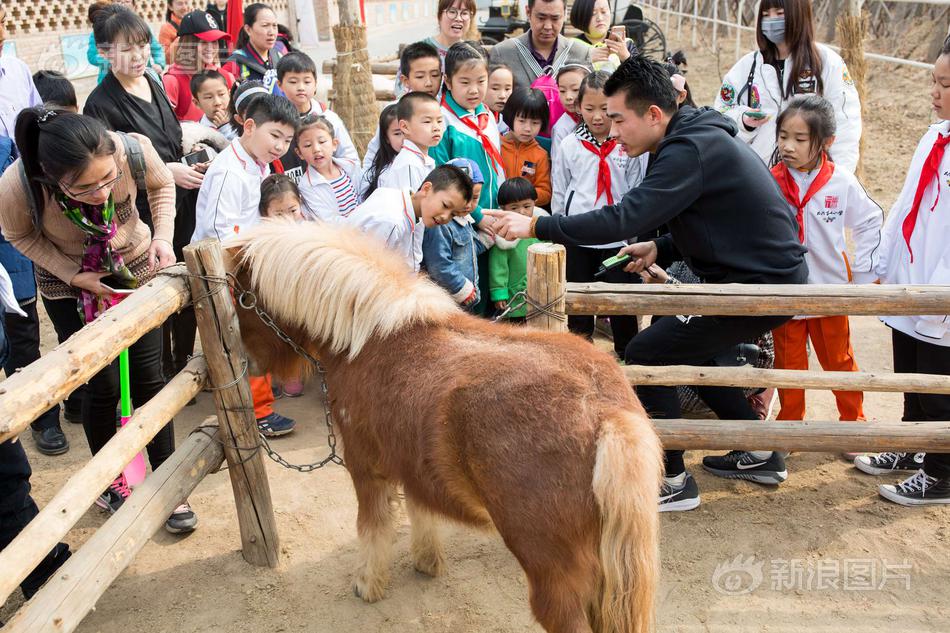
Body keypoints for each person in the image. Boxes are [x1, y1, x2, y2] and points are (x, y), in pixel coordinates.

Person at [486, 56, 809, 512]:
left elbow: (626, 216)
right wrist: (663, 248)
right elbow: (719, 220)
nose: (612, 130)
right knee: (690, 350)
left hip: (761, 283)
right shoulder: (688, 137)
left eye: (618, 118)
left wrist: (538, 227)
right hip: (755, 275)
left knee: (646, 351)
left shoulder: (686, 149)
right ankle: (758, 451)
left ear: (653, 114)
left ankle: (670, 477)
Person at [0, 108, 199, 532]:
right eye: (84, 187)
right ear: (50, 179)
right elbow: (18, 234)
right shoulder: (17, 187)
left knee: (149, 375)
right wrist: (74, 274)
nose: (102, 193)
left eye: (108, 179)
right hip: (70, 283)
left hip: (135, 266)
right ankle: (113, 480)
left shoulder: (133, 149)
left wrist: (162, 236)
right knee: (101, 383)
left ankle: (167, 479)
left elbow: (162, 184)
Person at [85, 4, 207, 384]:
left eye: (142, 45)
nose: (137, 56)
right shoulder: (99, 104)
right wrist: (163, 172)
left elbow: (170, 136)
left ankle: (182, 361)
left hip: (180, 198)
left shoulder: (154, 80)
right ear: (105, 52)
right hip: (140, 210)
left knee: (189, 279)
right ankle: (157, 374)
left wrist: (184, 163)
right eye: (126, 48)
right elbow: (105, 171)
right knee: (154, 288)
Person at [852, 38, 950, 506]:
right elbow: (907, 203)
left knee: (938, 382)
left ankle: (943, 472)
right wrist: (884, 263)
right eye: (933, 80)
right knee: (909, 369)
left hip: (943, 285)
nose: (935, 91)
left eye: (945, 84)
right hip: (914, 275)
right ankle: (913, 444)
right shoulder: (935, 136)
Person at [768, 95, 882, 431]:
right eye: (783, 136)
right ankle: (790, 423)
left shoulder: (840, 181)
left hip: (830, 288)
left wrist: (863, 274)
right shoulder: (769, 180)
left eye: (800, 139)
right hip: (784, 290)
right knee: (788, 362)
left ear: (826, 142)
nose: (788, 146)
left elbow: (869, 220)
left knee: (839, 360)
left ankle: (853, 421)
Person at [192, 93, 299, 436]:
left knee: (253, 340)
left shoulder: (257, 162)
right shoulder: (229, 171)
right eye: (275, 136)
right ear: (249, 126)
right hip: (226, 270)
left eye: (287, 139)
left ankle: (259, 405)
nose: (281, 146)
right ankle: (255, 412)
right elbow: (219, 232)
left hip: (246, 265)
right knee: (247, 341)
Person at [0, 34, 71, 455]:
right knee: (14, 324)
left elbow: (33, 128)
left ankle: (66, 402)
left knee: (31, 308)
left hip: (17, 194)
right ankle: (37, 417)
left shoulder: (17, 70)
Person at [551, 70, 648, 359]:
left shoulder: (628, 146)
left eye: (605, 110)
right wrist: (559, 228)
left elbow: (636, 188)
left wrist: (632, 234)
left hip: (617, 239)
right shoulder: (570, 144)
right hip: (579, 235)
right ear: (578, 107)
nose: (597, 117)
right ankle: (582, 356)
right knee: (579, 303)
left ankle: (628, 354)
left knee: (622, 303)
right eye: (589, 109)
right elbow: (560, 188)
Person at [714, 0, 861, 173]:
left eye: (779, 13)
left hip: (810, 177)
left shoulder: (827, 63)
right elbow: (720, 114)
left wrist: (837, 178)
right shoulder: (747, 67)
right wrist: (744, 122)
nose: (771, 21)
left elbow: (845, 124)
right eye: (766, 15)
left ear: (798, 14)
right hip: (758, 177)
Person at [430, 41, 505, 315]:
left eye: (481, 81)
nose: (474, 90)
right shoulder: (444, 122)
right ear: (448, 81)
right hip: (462, 223)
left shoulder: (486, 114)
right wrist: (478, 217)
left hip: (491, 214)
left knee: (493, 285)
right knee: (467, 291)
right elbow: (442, 181)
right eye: (465, 82)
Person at [345, 165, 473, 272]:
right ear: (426, 189)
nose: (446, 217)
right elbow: (369, 273)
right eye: (445, 205)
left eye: (453, 214)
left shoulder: (414, 209)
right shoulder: (392, 222)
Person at [488, 0, 592, 105]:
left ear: (564, 15)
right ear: (528, 13)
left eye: (555, 18)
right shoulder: (502, 53)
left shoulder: (580, 53)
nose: (547, 26)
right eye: (541, 18)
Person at [275, 51, 357, 181]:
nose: (301, 87)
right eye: (293, 82)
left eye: (307, 82)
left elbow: (349, 156)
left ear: (315, 84)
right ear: (280, 85)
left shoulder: (328, 117)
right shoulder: (276, 122)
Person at [363, 42, 442, 174]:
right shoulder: (395, 111)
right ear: (405, 80)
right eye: (420, 76)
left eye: (434, 75)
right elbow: (375, 152)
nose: (429, 83)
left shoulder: (443, 109)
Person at [421, 157, 485, 309]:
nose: (468, 205)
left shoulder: (465, 220)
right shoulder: (440, 223)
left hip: (465, 301)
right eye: (464, 199)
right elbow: (439, 264)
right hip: (449, 301)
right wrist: (461, 288)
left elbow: (467, 249)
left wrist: (490, 238)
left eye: (474, 198)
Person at [490, 177, 547, 322]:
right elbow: (498, 267)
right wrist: (499, 293)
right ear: (503, 209)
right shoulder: (503, 235)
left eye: (527, 206)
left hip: (543, 291)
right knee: (519, 332)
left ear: (535, 203)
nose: (521, 212)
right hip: (517, 296)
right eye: (514, 208)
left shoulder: (543, 229)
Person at [162, 9, 235, 122]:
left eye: (214, 41)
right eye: (204, 42)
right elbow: (165, 125)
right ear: (188, 43)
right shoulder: (172, 81)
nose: (211, 47)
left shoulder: (226, 77)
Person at [296, 115, 362, 221]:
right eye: (308, 145)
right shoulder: (307, 186)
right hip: (340, 235)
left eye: (322, 142)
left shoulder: (350, 167)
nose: (316, 149)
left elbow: (363, 196)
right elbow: (328, 220)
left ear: (334, 144)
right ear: (299, 153)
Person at [87, 0, 166, 85]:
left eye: (127, 1)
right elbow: (92, 56)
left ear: (134, 6)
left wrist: (159, 63)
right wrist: (114, 60)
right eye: (126, 49)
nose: (122, 4)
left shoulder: (141, 29)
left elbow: (156, 48)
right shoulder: (101, 32)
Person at [379, 92, 442, 191]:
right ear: (405, 127)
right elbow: (413, 204)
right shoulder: (408, 165)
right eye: (427, 121)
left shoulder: (417, 159)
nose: (436, 128)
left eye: (439, 121)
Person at [500, 87, 552, 206]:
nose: (528, 129)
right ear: (510, 117)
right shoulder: (496, 146)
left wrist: (523, 195)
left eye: (535, 123)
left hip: (525, 212)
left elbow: (545, 192)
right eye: (522, 121)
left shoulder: (540, 154)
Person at [223, 3, 284, 94]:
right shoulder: (234, 64)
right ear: (248, 30)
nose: (271, 32)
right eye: (265, 25)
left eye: (274, 26)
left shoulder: (279, 57)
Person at [569, 0, 637, 72]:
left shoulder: (626, 44)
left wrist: (626, 57)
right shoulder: (571, 46)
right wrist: (586, 59)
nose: (600, 18)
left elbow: (644, 79)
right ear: (580, 16)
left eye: (604, 11)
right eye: (593, 13)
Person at [359, 103, 402, 201]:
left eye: (406, 130)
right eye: (397, 133)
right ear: (386, 138)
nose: (404, 138)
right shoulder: (384, 173)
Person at [550, 63, 592, 162]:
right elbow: (558, 166)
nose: (568, 97)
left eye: (575, 89)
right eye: (562, 91)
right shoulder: (561, 129)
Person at [192, 69, 235, 139]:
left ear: (229, 95)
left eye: (221, 94)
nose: (217, 102)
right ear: (197, 103)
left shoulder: (242, 121)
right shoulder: (196, 133)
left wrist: (225, 128)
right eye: (209, 97)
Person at [485, 63, 514, 133]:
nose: (502, 96)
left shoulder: (507, 122)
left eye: (507, 89)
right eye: (495, 88)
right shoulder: (474, 121)